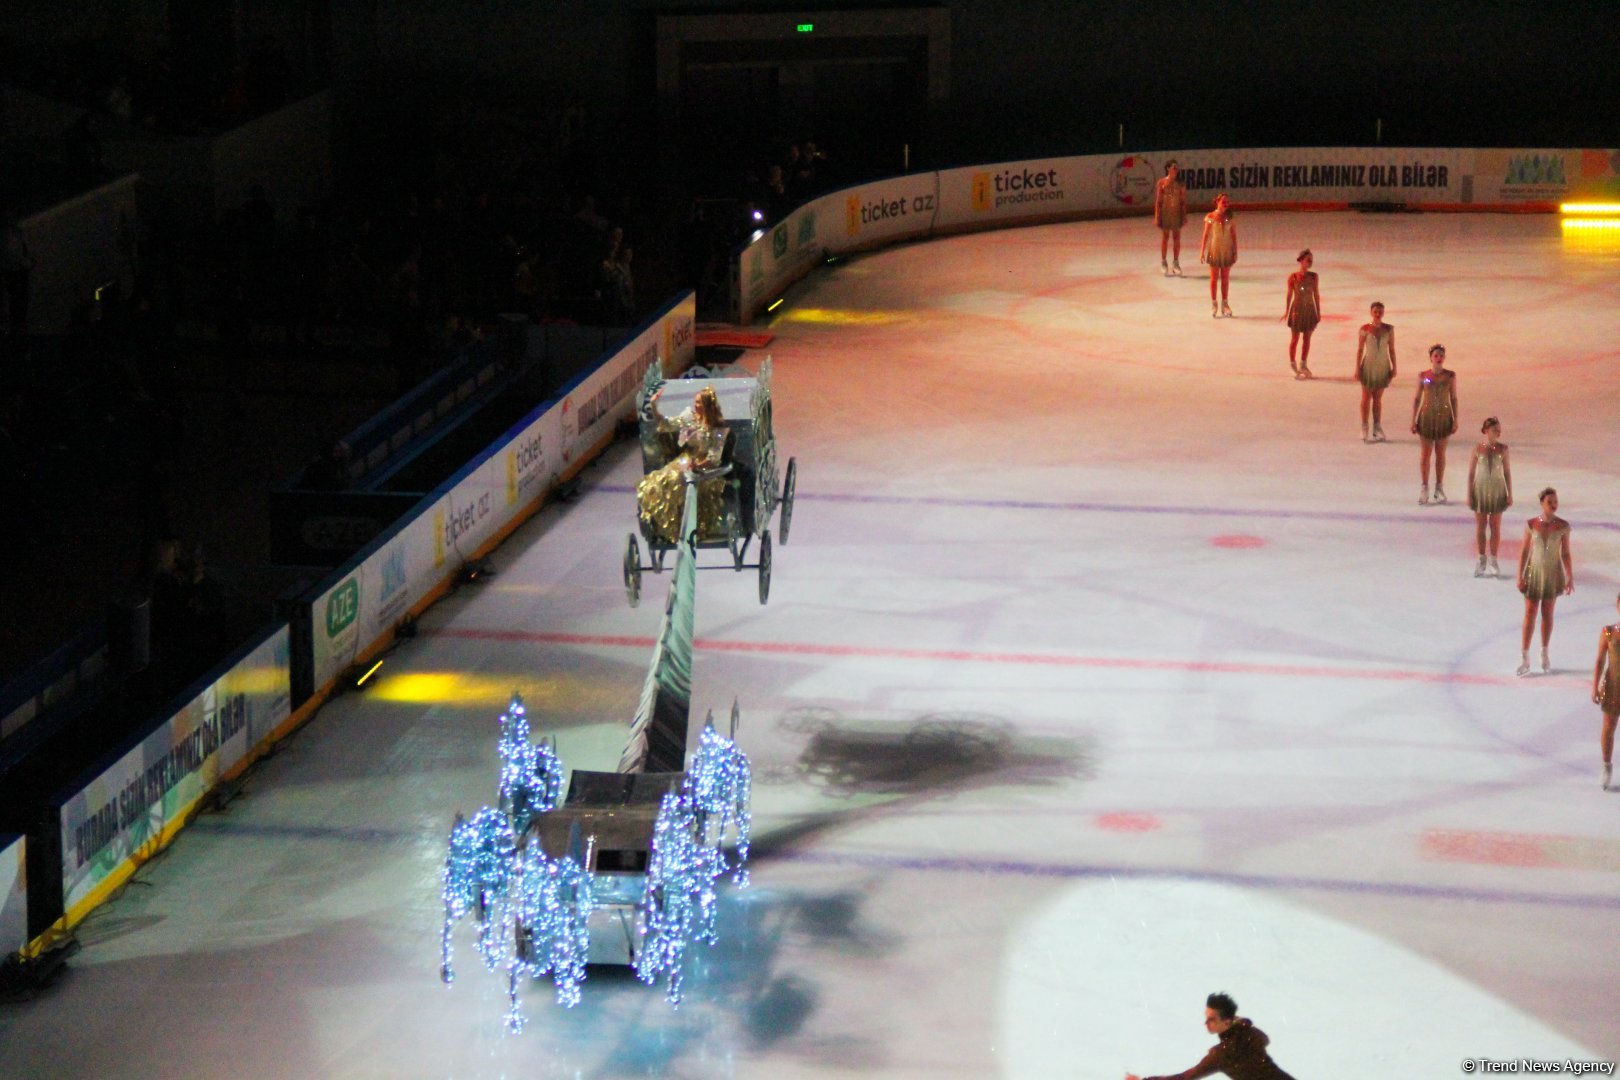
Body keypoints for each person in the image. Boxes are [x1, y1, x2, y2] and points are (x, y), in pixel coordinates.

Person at [1126, 992, 1297, 1080]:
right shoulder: (1248, 1034)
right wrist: (1243, 1022)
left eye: (1212, 1019)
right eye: (1206, 1017)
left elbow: (1186, 1077)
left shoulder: (1222, 1054)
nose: (1206, 1023)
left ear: (1227, 1022)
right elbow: (1264, 1038)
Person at [636, 385, 729, 544]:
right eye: (695, 402)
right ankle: (665, 526)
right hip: (686, 460)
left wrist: (698, 466)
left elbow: (714, 458)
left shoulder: (718, 429)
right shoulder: (689, 418)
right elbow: (666, 424)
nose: (696, 405)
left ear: (707, 405)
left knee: (684, 484)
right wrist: (653, 406)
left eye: (699, 402)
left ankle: (687, 527)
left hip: (706, 468)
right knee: (666, 480)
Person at [1517, 487, 1573, 677]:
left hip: (1552, 573)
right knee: (1530, 613)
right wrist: (1520, 575)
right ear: (1542, 503)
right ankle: (1525, 657)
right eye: (1550, 502)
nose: (1554, 505)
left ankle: (1544, 653)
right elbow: (1525, 551)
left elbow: (1565, 552)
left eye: (1555, 501)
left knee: (1547, 613)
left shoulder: (1563, 526)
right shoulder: (1532, 524)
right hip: (1534, 573)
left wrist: (1569, 575)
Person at [1410, 344, 1457, 504]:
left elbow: (1454, 398)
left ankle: (1439, 487)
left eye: (1441, 355)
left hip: (1444, 417)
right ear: (1431, 358)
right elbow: (1417, 398)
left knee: (1441, 454)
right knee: (1425, 455)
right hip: (1427, 417)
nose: (1438, 358)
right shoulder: (1423, 376)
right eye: (1436, 355)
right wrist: (1413, 420)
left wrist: (1455, 419)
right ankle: (1424, 487)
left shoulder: (1450, 376)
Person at [1466, 417, 1512, 577]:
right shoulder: (1478, 449)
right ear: (1486, 431)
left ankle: (1493, 559)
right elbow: (1471, 473)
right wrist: (1469, 494)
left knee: (1495, 526)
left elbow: (1506, 472)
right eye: (1495, 430)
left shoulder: (1504, 449)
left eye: (1499, 430)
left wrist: (1509, 493)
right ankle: (1481, 559)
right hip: (1480, 490)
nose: (1498, 432)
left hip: (1498, 490)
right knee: (1481, 526)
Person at [1353, 301, 1396, 441]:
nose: (1378, 314)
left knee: (1377, 399)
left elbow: (1392, 349)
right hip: (1368, 366)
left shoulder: (1389, 329)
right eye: (1375, 311)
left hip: (1382, 366)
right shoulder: (1365, 329)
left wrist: (1394, 367)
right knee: (1366, 398)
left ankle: (1377, 427)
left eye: (1380, 312)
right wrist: (1357, 368)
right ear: (1371, 312)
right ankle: (1364, 426)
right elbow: (1360, 349)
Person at [1593, 592, 1620, 791]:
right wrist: (1595, 685)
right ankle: (1606, 765)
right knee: (1609, 727)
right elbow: (1600, 660)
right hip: (1613, 685)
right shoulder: (1608, 632)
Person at [1281, 249, 1320, 378]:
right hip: (1297, 309)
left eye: (1311, 260)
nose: (1310, 263)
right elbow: (1289, 295)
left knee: (1307, 338)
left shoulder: (1314, 276)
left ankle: (1303, 364)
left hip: (1309, 310)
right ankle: (1293, 365)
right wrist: (1287, 311)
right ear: (1301, 260)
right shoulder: (1293, 277)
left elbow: (1316, 294)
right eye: (1308, 260)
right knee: (1295, 338)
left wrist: (1318, 311)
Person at [1199, 194, 1237, 317]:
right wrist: (1202, 251)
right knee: (1214, 278)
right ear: (1217, 202)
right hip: (1215, 250)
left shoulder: (1229, 217)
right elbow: (1205, 235)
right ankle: (1214, 304)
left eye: (1227, 202)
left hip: (1226, 250)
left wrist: (1235, 250)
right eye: (1223, 202)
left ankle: (1225, 304)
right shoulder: (1210, 217)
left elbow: (1233, 234)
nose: (1225, 204)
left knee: (1225, 278)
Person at [1154, 161, 1187, 276]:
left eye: (1177, 168)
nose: (1176, 170)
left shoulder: (1181, 184)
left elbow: (1183, 201)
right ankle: (1164, 262)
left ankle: (1176, 263)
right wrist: (1157, 216)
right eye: (1174, 168)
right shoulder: (1162, 183)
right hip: (1165, 212)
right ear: (1168, 168)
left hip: (1176, 212)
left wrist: (1184, 215)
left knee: (1177, 238)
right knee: (1165, 237)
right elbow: (1158, 201)